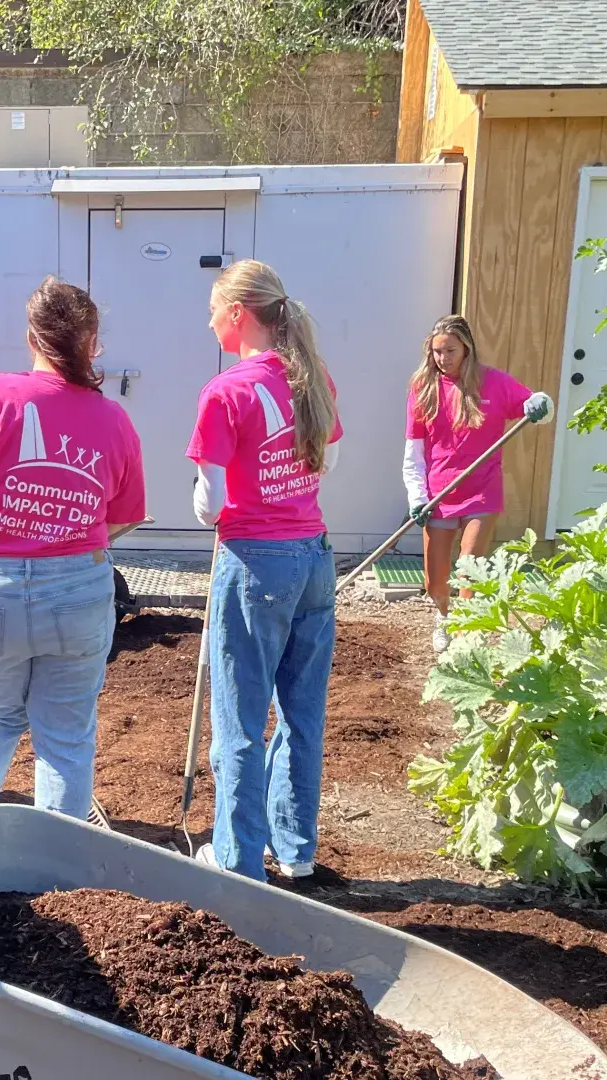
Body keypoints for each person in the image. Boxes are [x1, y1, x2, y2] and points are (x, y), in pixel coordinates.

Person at [0, 279, 146, 869]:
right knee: (65, 737)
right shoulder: (113, 420)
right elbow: (123, 514)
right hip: (77, 587)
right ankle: (57, 862)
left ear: (32, 338)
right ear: (92, 344)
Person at [188, 259, 342, 883]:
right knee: (302, 712)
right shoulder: (316, 379)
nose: (208, 321)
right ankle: (296, 849)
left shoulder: (226, 391)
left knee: (240, 720)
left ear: (237, 313)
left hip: (254, 562)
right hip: (313, 555)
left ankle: (238, 861)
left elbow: (211, 506)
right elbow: (328, 464)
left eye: (211, 310)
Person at [403, 314, 552, 653]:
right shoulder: (422, 388)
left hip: (482, 490)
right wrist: (416, 495)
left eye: (450, 351)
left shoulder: (494, 383)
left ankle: (466, 632)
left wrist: (541, 403)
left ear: (467, 349)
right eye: (437, 352)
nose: (443, 359)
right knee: (435, 577)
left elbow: (536, 403)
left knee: (470, 564)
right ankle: (444, 618)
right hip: (439, 492)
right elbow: (413, 450)